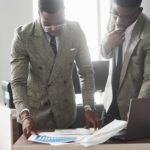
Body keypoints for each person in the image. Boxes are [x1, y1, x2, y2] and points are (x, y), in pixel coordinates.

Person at [11, 0, 101, 138]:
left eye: (59, 22)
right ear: (39, 14)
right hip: (35, 117)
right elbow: (18, 81)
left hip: (66, 113)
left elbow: (86, 72)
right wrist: (24, 115)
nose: (54, 28)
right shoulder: (23, 36)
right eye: (47, 24)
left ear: (64, 11)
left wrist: (89, 107)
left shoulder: (75, 31)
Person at [101, 0, 150, 125]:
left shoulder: (148, 32)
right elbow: (105, 54)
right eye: (116, 14)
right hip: (108, 102)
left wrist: (138, 111)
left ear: (138, 12)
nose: (118, 21)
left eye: (126, 17)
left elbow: (148, 79)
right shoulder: (114, 16)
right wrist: (107, 44)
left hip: (130, 108)